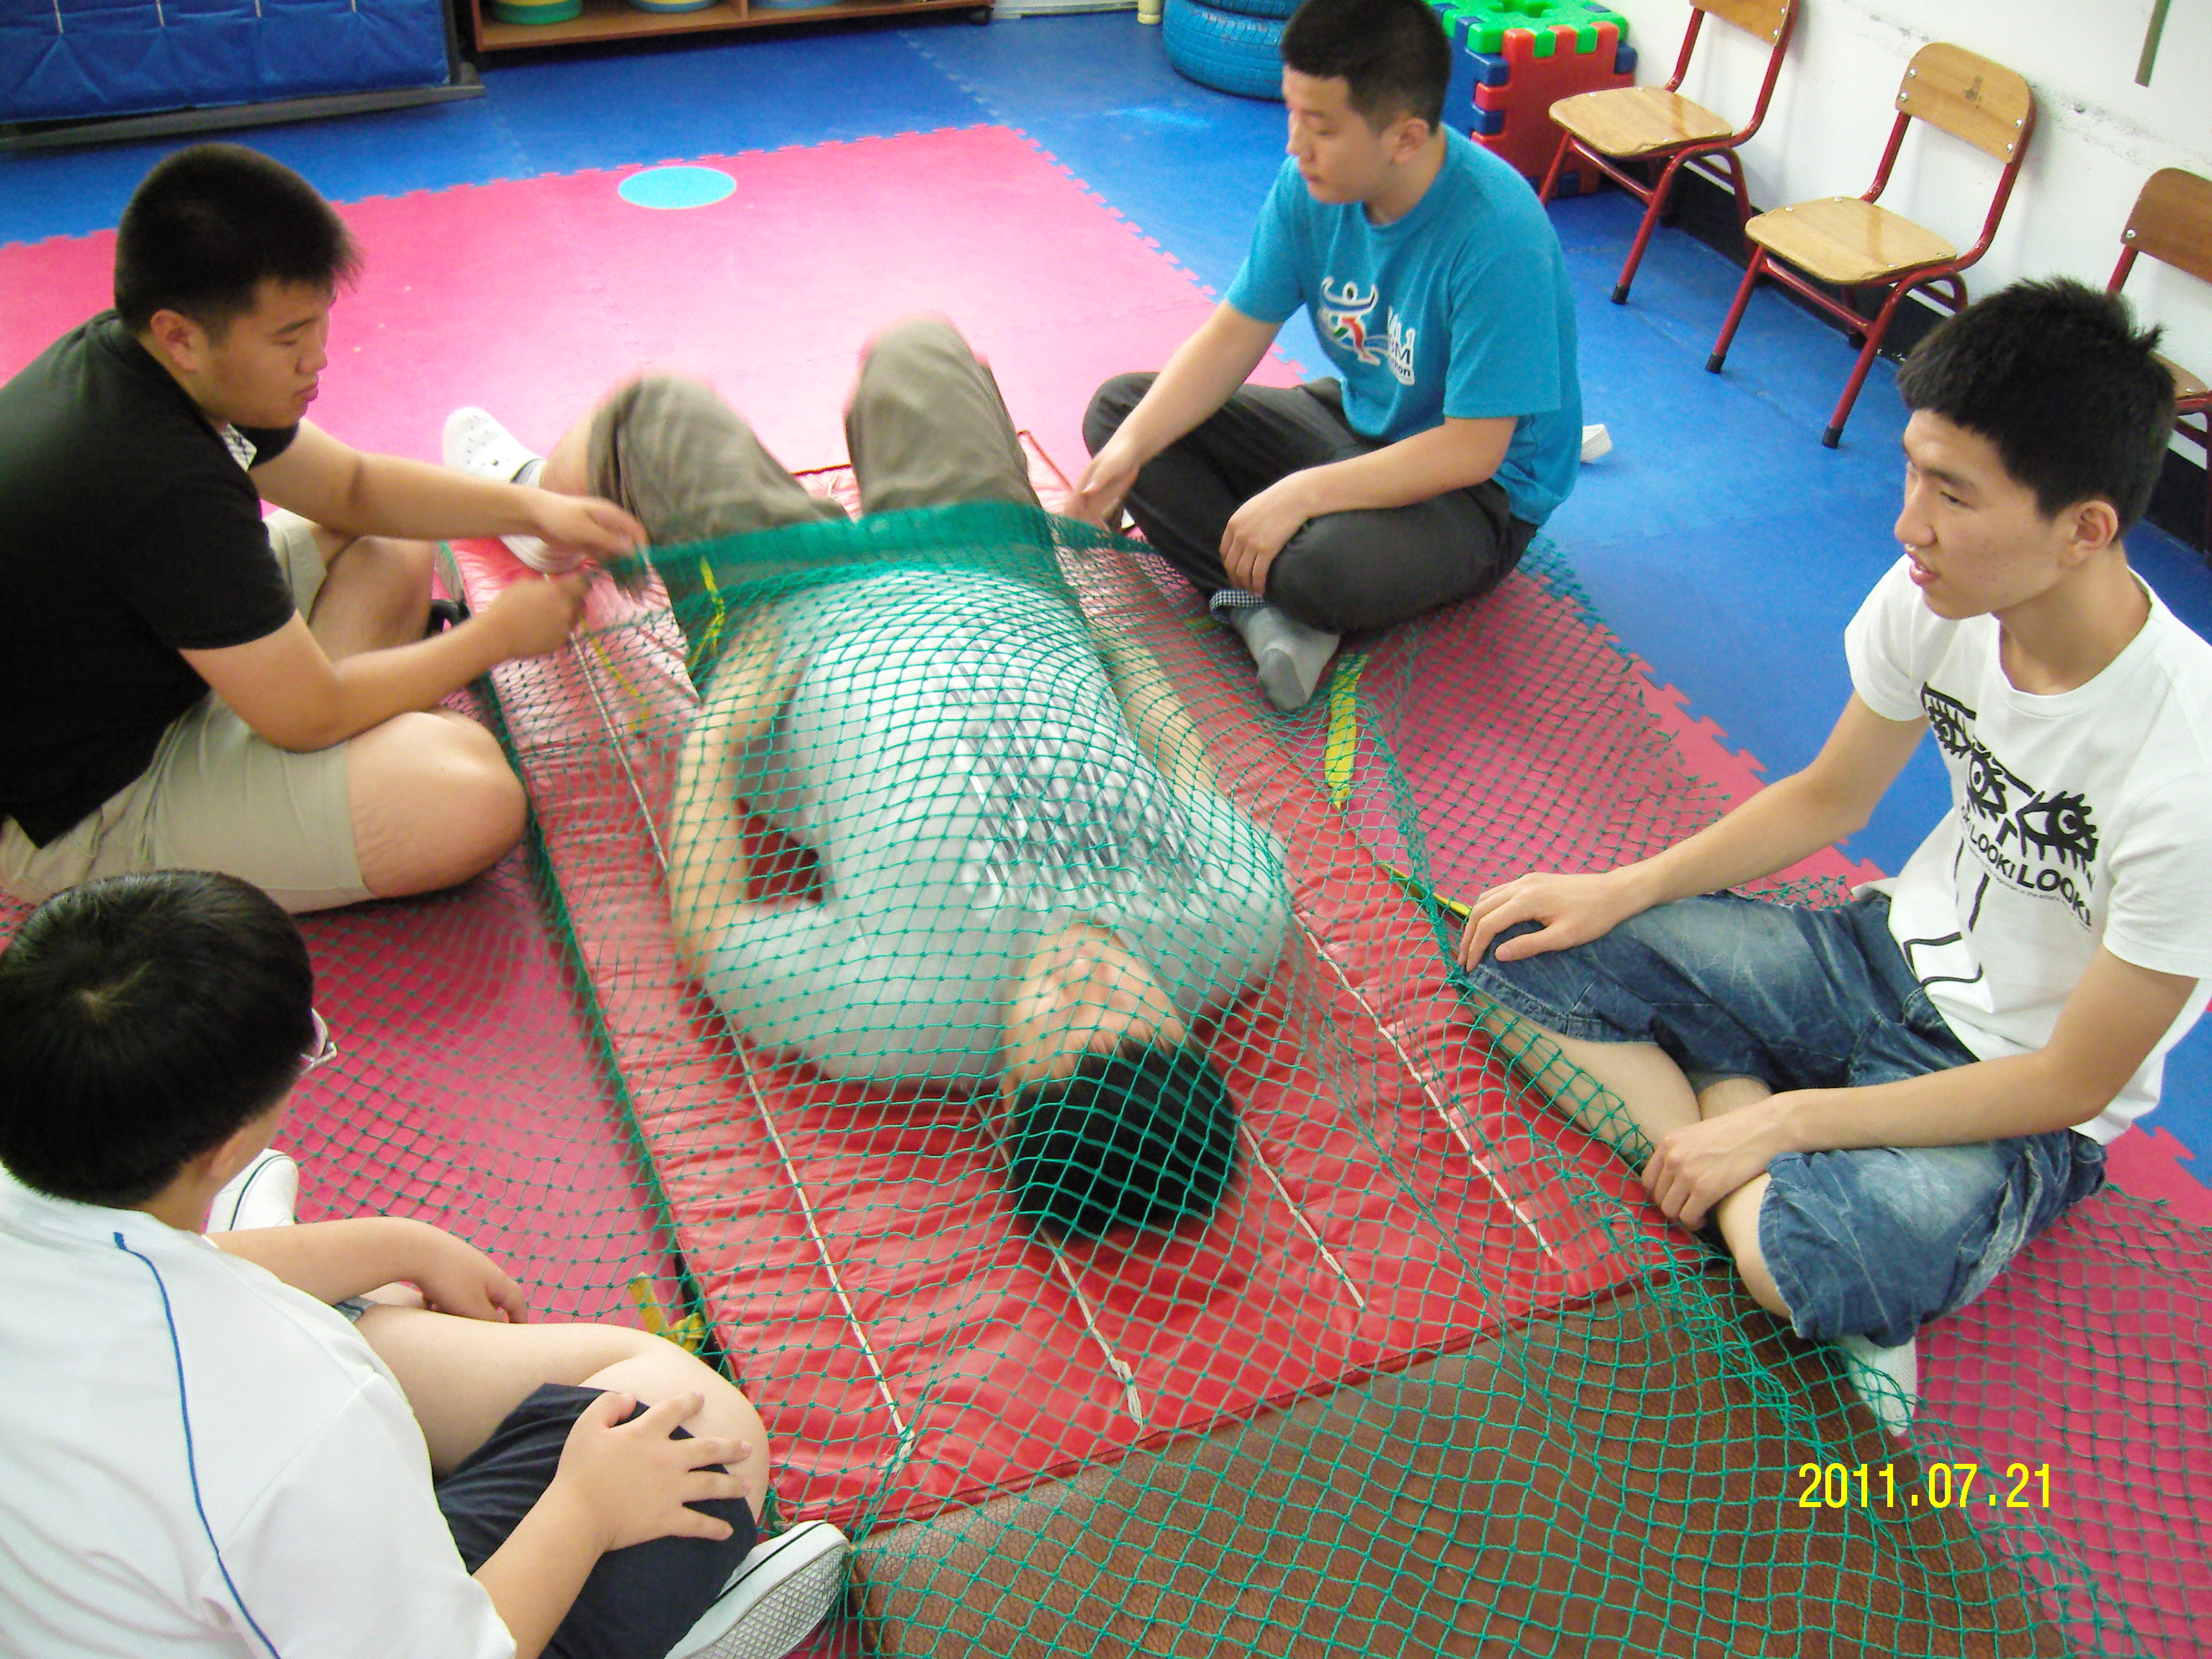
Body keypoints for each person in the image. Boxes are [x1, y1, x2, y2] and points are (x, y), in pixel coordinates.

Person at [1453, 281, 2211, 1429]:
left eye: (1953, 494)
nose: (1910, 524)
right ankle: (1741, 1148)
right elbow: (1829, 794)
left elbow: (2075, 1082)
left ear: (2085, 530)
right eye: (1914, 472)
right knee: (1519, 947)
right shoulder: (1941, 594)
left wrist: (1783, 1120)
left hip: (2012, 1084)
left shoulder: (2189, 767)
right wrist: (1619, 890)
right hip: (1873, 958)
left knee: (1827, 1262)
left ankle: (1742, 1115)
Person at [446, 318, 1290, 1240]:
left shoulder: (898, 1018)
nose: (1088, 975)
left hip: (796, 626)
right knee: (919, 353)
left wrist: (720, 733)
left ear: (1011, 1091)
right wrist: (1115, 652)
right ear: (1185, 1037)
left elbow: (715, 937)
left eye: (1060, 1017)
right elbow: (1187, 767)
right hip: (1000, 584)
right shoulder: (1234, 924)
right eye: (1131, 1012)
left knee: (655, 412)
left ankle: (538, 507)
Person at [0, 868, 848, 1659]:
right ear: (222, 1149)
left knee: (382, 1318)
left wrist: (397, 1242)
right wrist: (587, 1506)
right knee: (705, 1440)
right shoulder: (300, 1406)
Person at [0, 143, 646, 915]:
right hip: (83, 808)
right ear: (181, 336)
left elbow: (353, 488)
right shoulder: (155, 477)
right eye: (289, 339)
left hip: (160, 670)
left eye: (319, 325)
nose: (319, 359)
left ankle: (322, 758)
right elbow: (308, 714)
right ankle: (328, 761)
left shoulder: (145, 359)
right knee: (472, 794)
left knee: (388, 537)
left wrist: (533, 509)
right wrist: (497, 636)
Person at [1074, 0, 1581, 711]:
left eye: (1321, 127)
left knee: (1320, 573)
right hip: (1359, 420)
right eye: (1293, 114)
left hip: (1480, 494)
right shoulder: (1313, 184)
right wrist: (1124, 456)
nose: (1295, 146)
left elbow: (1473, 450)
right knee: (1121, 416)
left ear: (1405, 138)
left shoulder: (1499, 234)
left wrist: (1300, 494)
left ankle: (1281, 592)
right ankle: (1258, 612)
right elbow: (1233, 334)